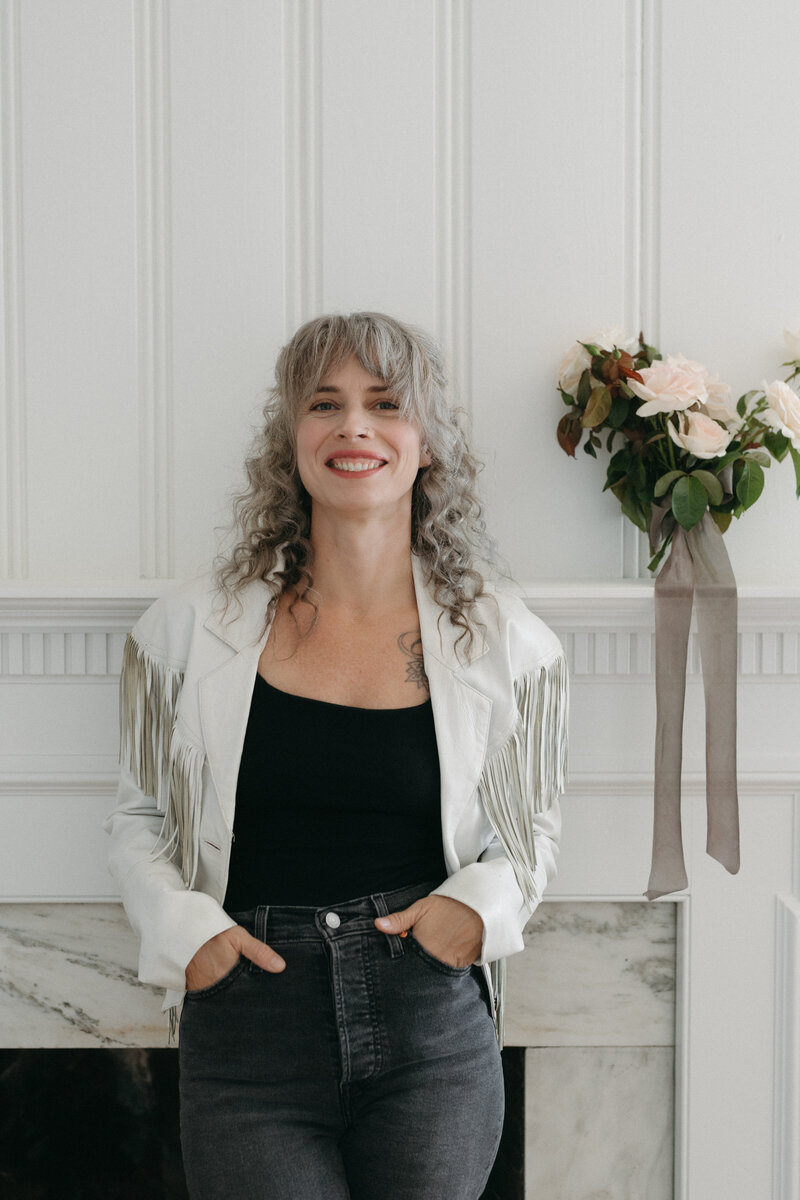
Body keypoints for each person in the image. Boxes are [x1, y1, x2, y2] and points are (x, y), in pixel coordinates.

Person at [104, 311, 569, 1200]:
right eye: (325, 404)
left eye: (385, 404)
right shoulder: (181, 634)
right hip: (250, 1033)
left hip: (430, 1029)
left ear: (425, 442)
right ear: (294, 438)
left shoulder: (514, 646)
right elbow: (140, 822)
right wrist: (194, 939)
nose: (353, 426)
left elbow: (530, 835)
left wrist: (466, 918)